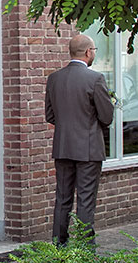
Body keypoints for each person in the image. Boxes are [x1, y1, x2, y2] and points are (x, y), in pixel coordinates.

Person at [45, 34, 115, 246]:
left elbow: (50, 115)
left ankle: (59, 246)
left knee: (62, 199)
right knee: (85, 200)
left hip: (63, 147)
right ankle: (85, 251)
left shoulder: (54, 78)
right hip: (89, 149)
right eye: (94, 50)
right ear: (88, 52)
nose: (94, 53)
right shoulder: (95, 79)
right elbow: (106, 116)